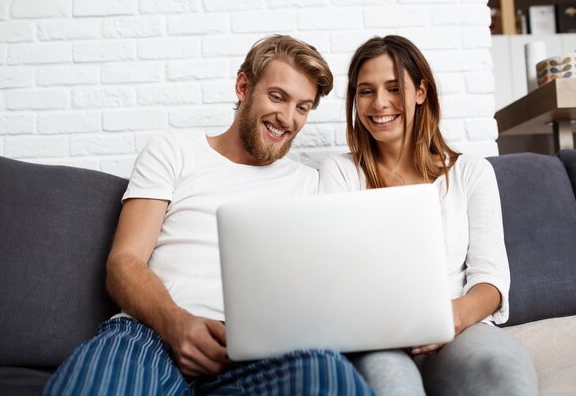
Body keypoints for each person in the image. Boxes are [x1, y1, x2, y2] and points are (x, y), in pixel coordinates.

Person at [42, 35, 377, 396]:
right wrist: (176, 324)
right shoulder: (172, 150)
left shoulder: (310, 183)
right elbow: (124, 262)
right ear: (244, 86)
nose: (287, 118)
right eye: (277, 97)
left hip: (256, 351)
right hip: (152, 331)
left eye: (302, 107)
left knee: (330, 378)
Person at [318, 35, 538, 396]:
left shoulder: (470, 171)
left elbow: (491, 278)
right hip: (378, 336)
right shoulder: (339, 173)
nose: (380, 103)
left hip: (457, 326)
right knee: (394, 386)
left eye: (393, 87)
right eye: (366, 91)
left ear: (421, 91)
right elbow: (334, 277)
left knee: (503, 374)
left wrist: (454, 317)